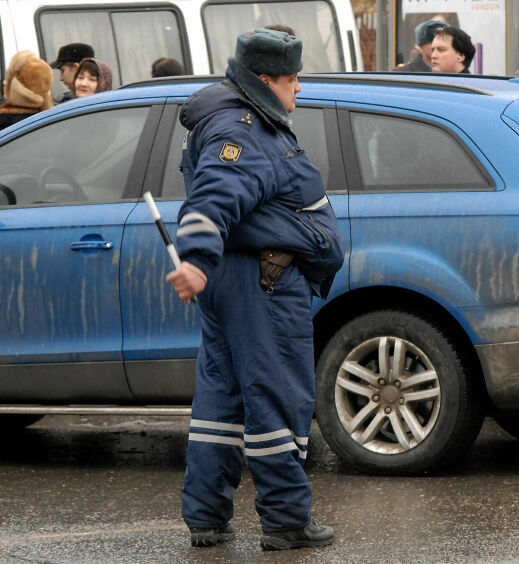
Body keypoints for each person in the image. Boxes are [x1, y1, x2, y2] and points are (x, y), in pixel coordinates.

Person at [165, 28, 344, 551]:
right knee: (276, 397)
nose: (299, 89)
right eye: (292, 79)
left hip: (237, 279)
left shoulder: (244, 120)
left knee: (221, 400)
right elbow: (214, 197)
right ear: (265, 80)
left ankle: (206, 516)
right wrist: (195, 260)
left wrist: (204, 266)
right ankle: (287, 521)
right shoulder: (243, 129)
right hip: (262, 282)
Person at [0, 51, 54, 131]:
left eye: (9, 79)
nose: (4, 82)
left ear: (17, 89)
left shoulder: (4, 121)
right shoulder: (54, 120)